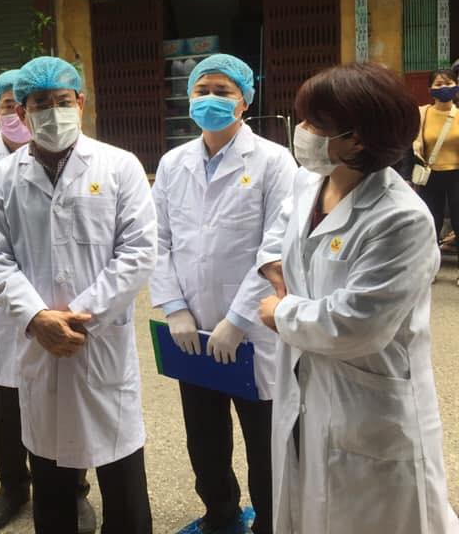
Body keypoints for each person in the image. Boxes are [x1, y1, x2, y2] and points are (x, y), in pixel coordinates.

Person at [256, 63, 459, 534]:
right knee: (308, 506)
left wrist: (281, 312)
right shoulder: (311, 181)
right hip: (308, 384)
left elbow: (357, 323)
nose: (302, 133)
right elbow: (278, 236)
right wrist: (272, 265)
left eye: (316, 125)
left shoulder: (401, 219)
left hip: (369, 402)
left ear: (359, 139)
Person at [0, 56, 157, 534]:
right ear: (22, 111)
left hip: (100, 342)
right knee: (51, 482)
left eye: (62, 101)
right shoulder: (3, 178)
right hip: (39, 343)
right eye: (41, 103)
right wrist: (37, 317)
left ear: (80, 102)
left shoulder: (119, 166)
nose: (53, 112)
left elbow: (139, 251)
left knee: (123, 482)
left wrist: (79, 315)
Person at [150, 54, 297, 534]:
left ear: (244, 101)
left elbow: (275, 247)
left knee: (264, 439)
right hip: (191, 328)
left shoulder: (274, 161)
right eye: (202, 90)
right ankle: (220, 514)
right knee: (204, 436)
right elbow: (158, 240)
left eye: (222, 91)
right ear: (188, 96)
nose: (210, 99)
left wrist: (237, 320)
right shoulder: (172, 163)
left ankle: (271, 524)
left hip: (254, 329)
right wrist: (174, 308)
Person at [0, 70, 95, 532]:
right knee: (8, 405)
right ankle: (12, 487)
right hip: (5, 308)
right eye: (19, 105)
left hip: (64, 306)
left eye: (56, 102)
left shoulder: (78, 157)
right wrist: (10, 306)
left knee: (68, 400)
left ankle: (75, 489)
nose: (45, 114)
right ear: (6, 111)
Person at [413, 69, 459, 253]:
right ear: (430, 89)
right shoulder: (422, 114)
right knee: (431, 220)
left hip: (457, 175)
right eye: (438, 84)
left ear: (456, 86)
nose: (444, 88)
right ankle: (430, 262)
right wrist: (407, 176)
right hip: (430, 176)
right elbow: (411, 146)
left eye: (448, 84)